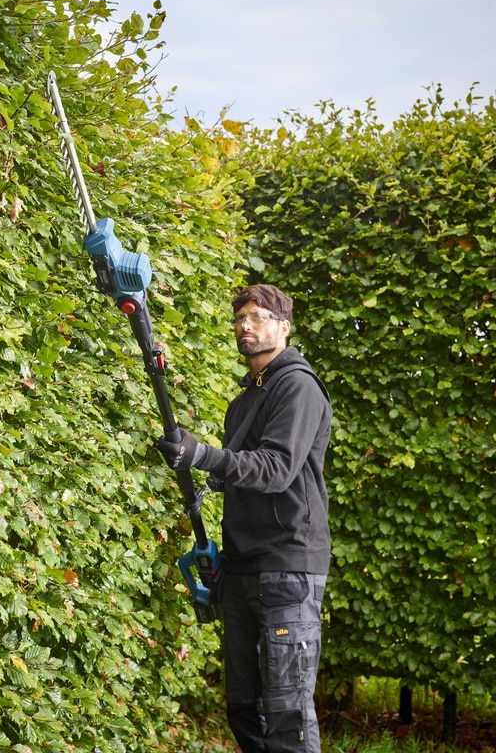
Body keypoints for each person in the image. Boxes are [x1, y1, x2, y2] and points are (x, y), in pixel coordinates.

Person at [157, 284, 333, 753]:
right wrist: (207, 484)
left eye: (258, 316)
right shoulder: (243, 401)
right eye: (240, 318)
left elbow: (275, 470)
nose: (246, 325)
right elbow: (242, 469)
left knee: (286, 711)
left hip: (287, 565)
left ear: (284, 326)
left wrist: (202, 454)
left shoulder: (297, 386)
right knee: (244, 708)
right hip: (241, 566)